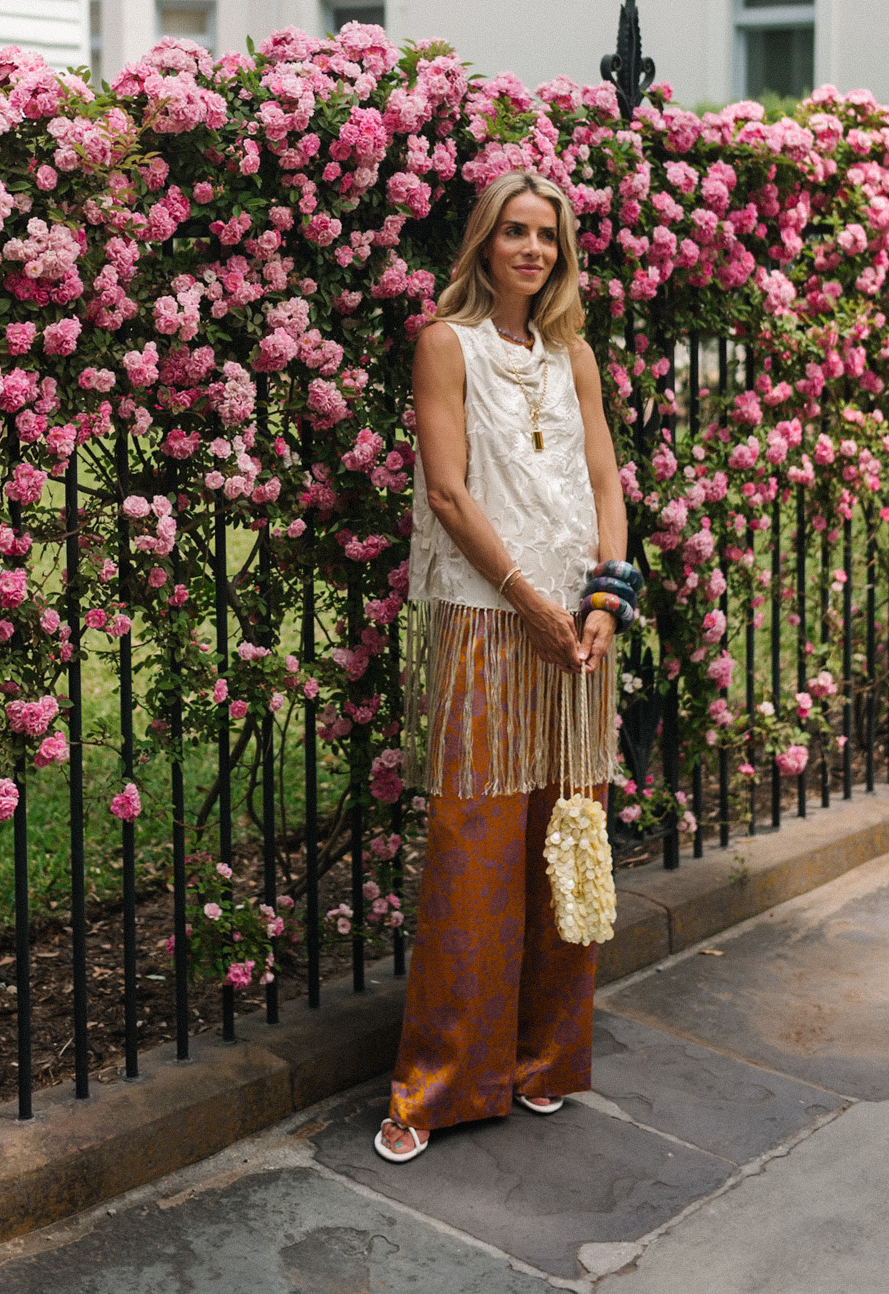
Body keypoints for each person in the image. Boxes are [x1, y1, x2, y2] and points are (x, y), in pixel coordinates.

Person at [375, 168, 628, 1162]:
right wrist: (531, 603)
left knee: (571, 839)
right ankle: (440, 1087)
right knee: (474, 849)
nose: (532, 249)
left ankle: (544, 1059)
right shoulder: (447, 345)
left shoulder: (572, 351)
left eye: (548, 237)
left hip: (580, 631)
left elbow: (605, 474)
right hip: (491, 620)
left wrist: (605, 597)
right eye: (514, 232)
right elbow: (446, 494)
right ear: (484, 243)